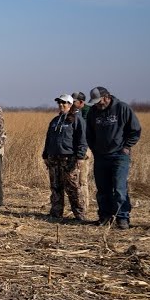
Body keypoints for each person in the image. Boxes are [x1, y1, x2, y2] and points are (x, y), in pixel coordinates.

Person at [84, 86, 142, 229]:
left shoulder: (122, 108)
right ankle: (105, 216)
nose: (98, 104)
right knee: (102, 189)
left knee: (119, 187)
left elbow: (135, 130)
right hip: (101, 156)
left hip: (119, 156)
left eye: (99, 101)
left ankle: (122, 218)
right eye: (95, 101)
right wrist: (95, 150)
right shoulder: (93, 112)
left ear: (106, 97)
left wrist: (126, 147)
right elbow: (89, 134)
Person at [41, 94, 88, 222]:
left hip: (69, 158)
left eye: (64, 103)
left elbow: (82, 140)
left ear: (70, 104)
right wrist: (45, 154)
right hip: (53, 158)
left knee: (73, 187)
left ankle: (79, 215)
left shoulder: (77, 119)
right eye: (60, 103)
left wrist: (80, 156)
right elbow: (48, 139)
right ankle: (56, 213)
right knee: (55, 186)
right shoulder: (55, 120)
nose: (61, 105)